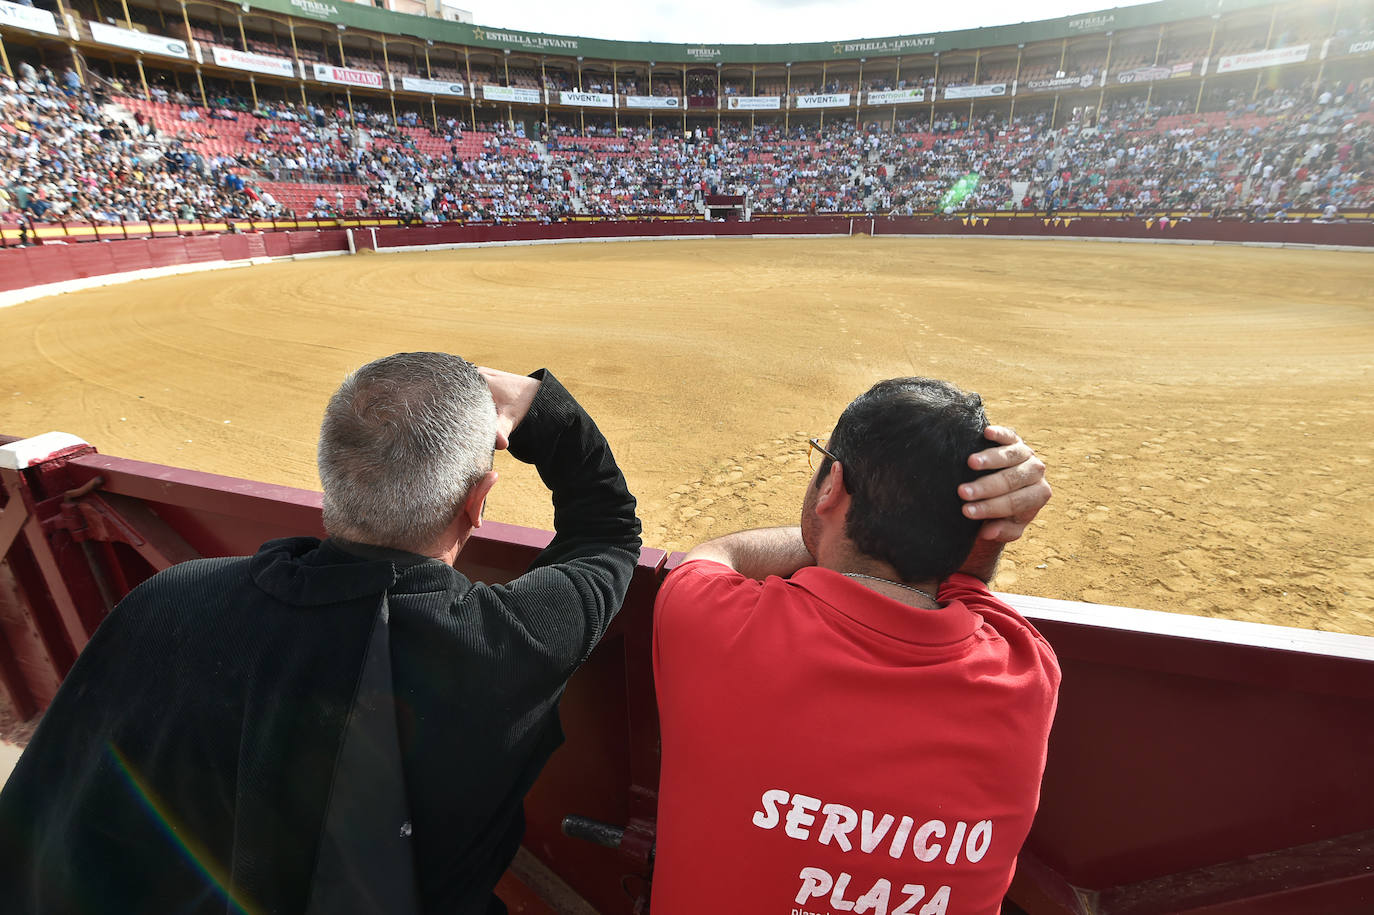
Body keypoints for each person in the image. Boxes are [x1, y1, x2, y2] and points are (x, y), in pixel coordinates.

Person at [0, 354, 642, 914]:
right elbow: (608, 528)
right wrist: (539, 407)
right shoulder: (507, 645)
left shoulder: (172, 597)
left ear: (331, 483)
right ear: (478, 501)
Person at [651, 376, 1057, 915]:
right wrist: (932, 520)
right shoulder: (1024, 671)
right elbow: (970, 578)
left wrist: (847, 529)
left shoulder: (707, 618)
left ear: (830, 485)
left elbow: (719, 552)